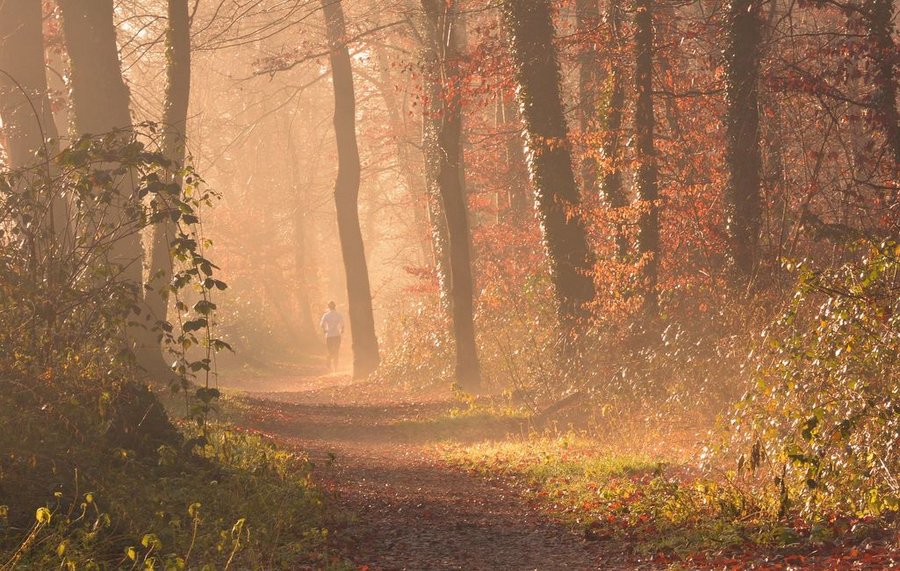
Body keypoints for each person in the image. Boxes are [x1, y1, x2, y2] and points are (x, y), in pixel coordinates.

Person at [319, 301, 344, 373]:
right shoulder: (338, 315)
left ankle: (328, 361)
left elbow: (322, 324)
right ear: (335, 306)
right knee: (337, 351)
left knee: (330, 351)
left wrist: (324, 330)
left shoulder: (326, 315)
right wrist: (342, 330)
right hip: (337, 335)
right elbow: (342, 324)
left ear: (329, 307)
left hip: (329, 335)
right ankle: (336, 368)